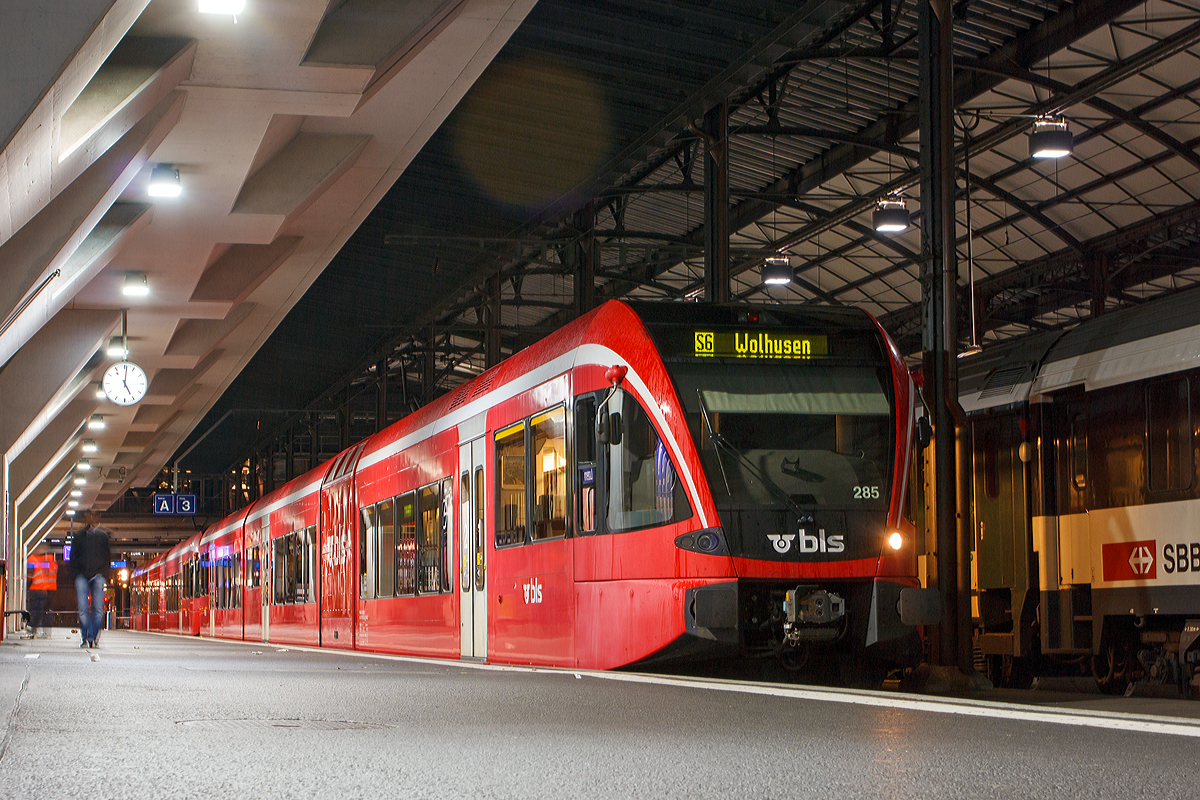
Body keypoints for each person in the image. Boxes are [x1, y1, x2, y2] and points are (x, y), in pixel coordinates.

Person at [71, 511, 110, 648]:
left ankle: (92, 637)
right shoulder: (78, 536)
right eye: (88, 515)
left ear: (97, 517)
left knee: (98, 610)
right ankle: (86, 636)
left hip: (98, 576)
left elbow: (107, 558)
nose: (90, 518)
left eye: (93, 515)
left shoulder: (102, 537)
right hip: (82, 575)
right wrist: (76, 574)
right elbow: (72, 557)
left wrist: (104, 574)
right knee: (82, 609)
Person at [26, 552, 58, 638]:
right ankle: (47, 632)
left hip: (37, 588)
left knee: (35, 609)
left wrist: (27, 587)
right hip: (51, 587)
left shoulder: (32, 559)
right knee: (47, 610)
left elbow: (29, 575)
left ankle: (34, 629)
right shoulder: (52, 560)